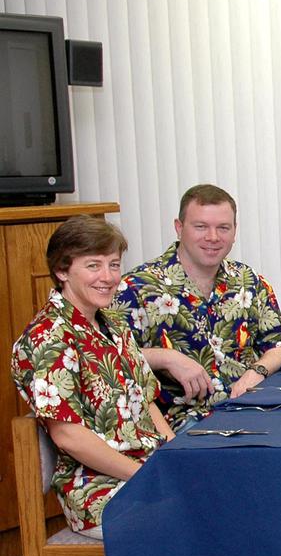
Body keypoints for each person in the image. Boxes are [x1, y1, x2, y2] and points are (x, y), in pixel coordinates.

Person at [11, 216, 175, 539]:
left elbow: (146, 403)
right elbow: (68, 437)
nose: (108, 277)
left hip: (146, 466)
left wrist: (174, 457)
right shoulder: (49, 337)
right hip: (96, 489)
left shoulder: (113, 323)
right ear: (62, 271)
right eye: (93, 266)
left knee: (221, 492)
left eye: (114, 265)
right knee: (195, 515)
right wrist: (145, 474)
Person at [113, 184, 281, 431]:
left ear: (234, 231)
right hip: (182, 423)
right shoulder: (137, 287)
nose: (213, 237)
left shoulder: (248, 280)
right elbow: (111, 357)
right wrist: (167, 358)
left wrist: (256, 372)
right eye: (201, 227)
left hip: (249, 410)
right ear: (179, 228)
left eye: (223, 228)